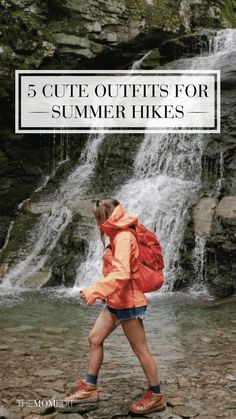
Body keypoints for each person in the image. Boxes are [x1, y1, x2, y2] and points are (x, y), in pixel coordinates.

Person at [64, 198, 166, 415]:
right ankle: (90, 387)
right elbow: (117, 274)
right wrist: (106, 293)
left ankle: (156, 395)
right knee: (94, 338)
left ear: (104, 216)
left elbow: (122, 273)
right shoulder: (119, 232)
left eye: (96, 218)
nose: (95, 223)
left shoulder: (123, 236)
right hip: (117, 299)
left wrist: (94, 290)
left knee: (140, 349)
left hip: (128, 302)